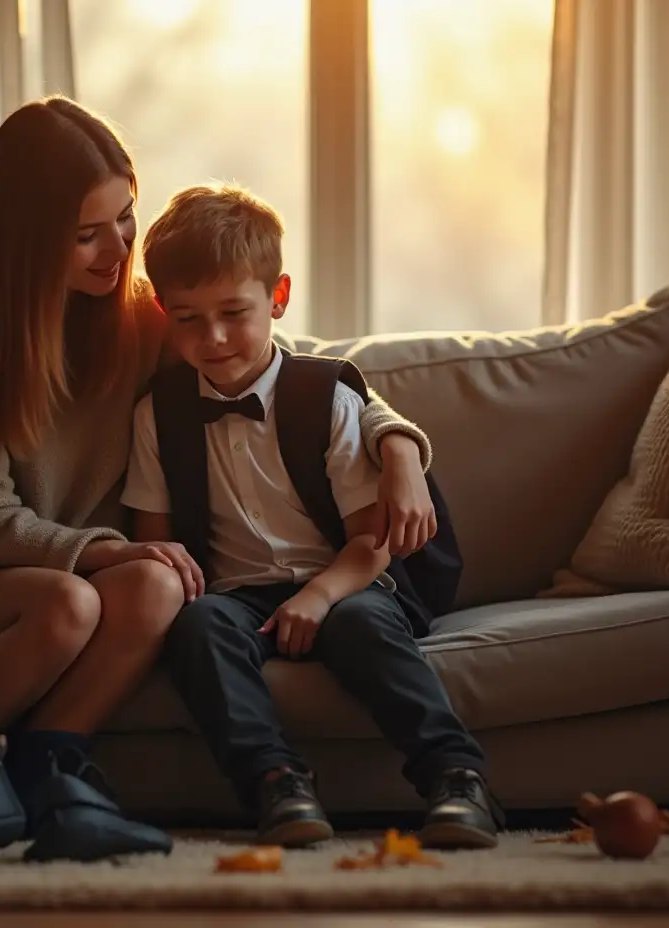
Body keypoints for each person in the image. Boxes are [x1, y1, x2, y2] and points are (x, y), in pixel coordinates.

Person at [0, 96, 441, 823]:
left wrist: (397, 444)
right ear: (25, 237)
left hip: (111, 573)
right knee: (70, 602)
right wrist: (108, 553)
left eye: (124, 218)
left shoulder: (140, 316)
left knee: (157, 587)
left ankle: (50, 762)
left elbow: (285, 366)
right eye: (87, 234)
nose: (117, 250)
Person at [121, 182, 504, 850]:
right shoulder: (158, 412)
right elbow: (157, 545)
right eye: (186, 318)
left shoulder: (325, 398)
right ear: (162, 311)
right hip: (234, 597)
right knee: (203, 627)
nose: (211, 338)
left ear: (278, 297)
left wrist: (318, 596)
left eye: (233, 312)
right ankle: (276, 782)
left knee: (360, 625)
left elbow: (372, 542)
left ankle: (456, 775)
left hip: (347, 578)